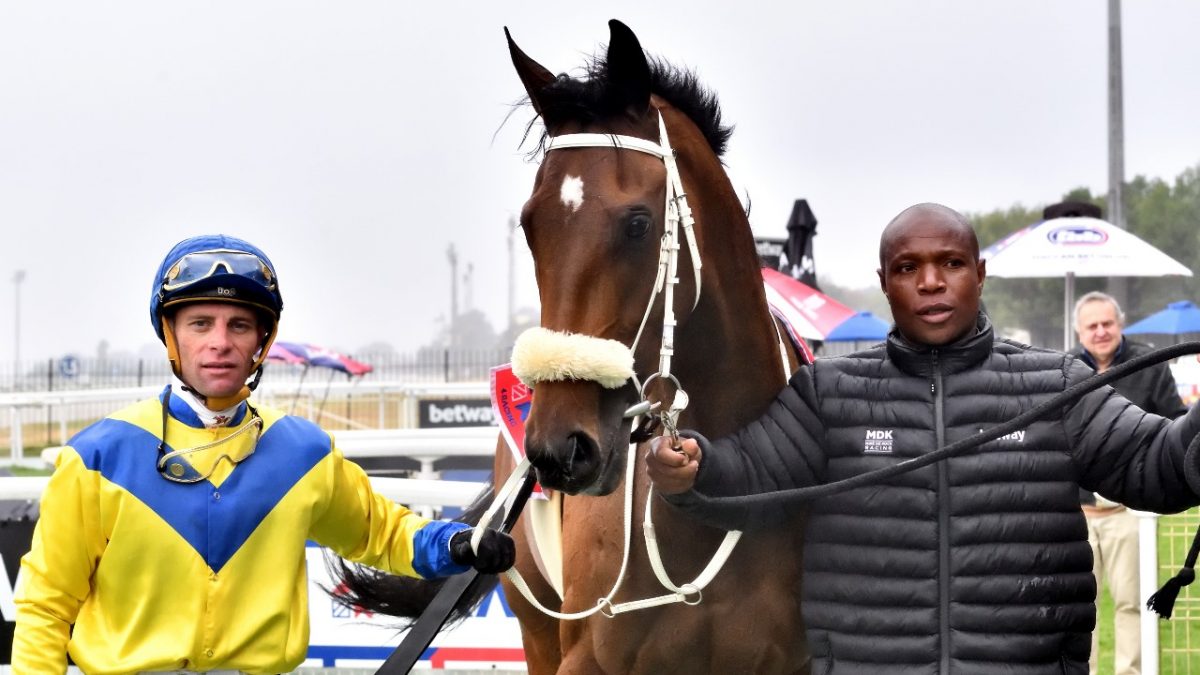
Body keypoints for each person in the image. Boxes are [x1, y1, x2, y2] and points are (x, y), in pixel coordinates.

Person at [646, 203, 1200, 674]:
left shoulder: (1056, 385)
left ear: (979, 274)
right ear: (886, 282)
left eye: (951, 264)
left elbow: (1162, 466)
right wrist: (695, 468)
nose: (931, 281)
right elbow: (750, 475)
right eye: (908, 267)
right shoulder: (829, 392)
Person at [12, 235, 515, 673]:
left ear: (261, 340)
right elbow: (45, 607)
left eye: (239, 326)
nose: (219, 343)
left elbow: (379, 533)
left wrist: (457, 544)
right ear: (171, 335)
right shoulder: (98, 457)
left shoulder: (303, 454)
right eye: (200, 323)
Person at [1072, 290, 1187, 675]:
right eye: (1092, 325)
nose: (1101, 331)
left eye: (1108, 323)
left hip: (1130, 512)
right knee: (1076, 609)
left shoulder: (1151, 364)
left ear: (1120, 324)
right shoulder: (1064, 371)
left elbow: (1176, 424)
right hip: (1077, 515)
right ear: (1078, 332)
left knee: (1132, 603)